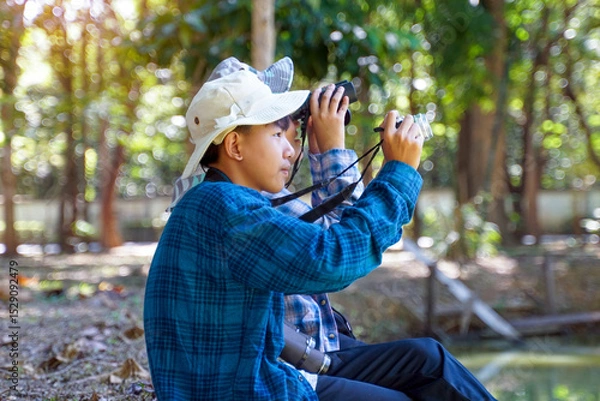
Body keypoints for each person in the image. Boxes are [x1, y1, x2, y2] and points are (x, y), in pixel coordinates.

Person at [144, 66, 427, 400]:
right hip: (248, 388)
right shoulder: (226, 208)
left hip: (241, 381)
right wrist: (399, 173)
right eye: (277, 134)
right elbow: (333, 259)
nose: (292, 148)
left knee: (425, 359)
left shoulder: (217, 201)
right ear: (235, 145)